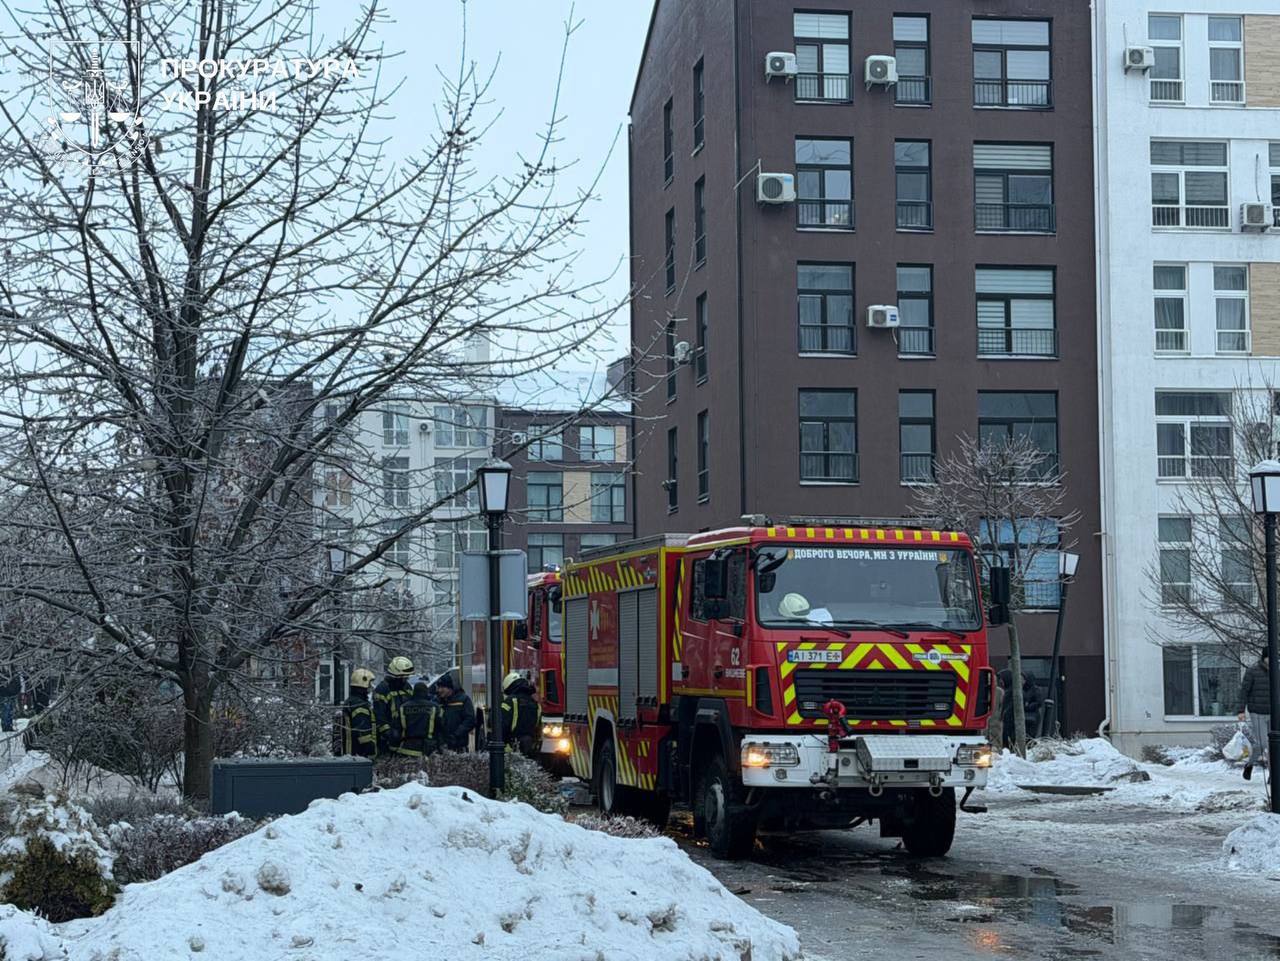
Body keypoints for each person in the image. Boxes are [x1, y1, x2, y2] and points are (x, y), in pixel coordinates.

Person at [1236, 648, 1272, 781]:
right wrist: (1241, 710)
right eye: (1270, 657)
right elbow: (1244, 691)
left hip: (1274, 713)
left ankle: (1273, 775)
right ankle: (1249, 764)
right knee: (1262, 744)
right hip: (1257, 712)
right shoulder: (1253, 671)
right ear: (1264, 658)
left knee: (1274, 745)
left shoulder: (1277, 670)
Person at [373, 656, 415, 756]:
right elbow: (379, 716)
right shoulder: (382, 689)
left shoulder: (407, 687)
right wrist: (388, 733)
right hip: (387, 740)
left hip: (405, 736)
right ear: (396, 676)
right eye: (404, 677)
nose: (406, 679)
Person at [499, 671, 542, 758]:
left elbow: (502, 726)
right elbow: (538, 729)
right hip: (529, 750)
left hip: (510, 750)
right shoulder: (536, 704)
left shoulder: (509, 702)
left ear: (509, 687)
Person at [338, 668, 378, 758]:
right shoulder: (359, 705)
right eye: (369, 684)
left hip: (352, 753)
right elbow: (362, 731)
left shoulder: (352, 701)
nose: (370, 687)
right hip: (359, 755)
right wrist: (371, 748)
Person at [395, 682, 442, 758]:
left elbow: (396, 730)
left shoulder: (403, 707)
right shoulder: (435, 707)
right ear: (426, 692)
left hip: (407, 749)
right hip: (428, 750)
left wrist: (394, 748)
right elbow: (440, 728)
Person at [434, 672, 476, 752]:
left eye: (442, 687)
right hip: (441, 748)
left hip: (459, 747)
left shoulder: (463, 700)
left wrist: (456, 735)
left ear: (450, 688)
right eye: (438, 687)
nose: (439, 690)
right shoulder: (437, 702)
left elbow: (470, 720)